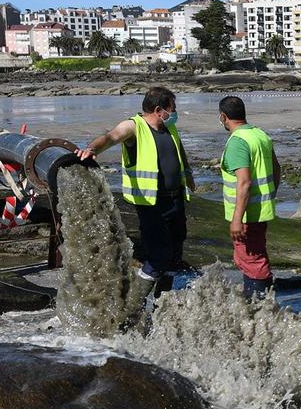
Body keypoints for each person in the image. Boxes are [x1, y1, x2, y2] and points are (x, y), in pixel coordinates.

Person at [79, 86, 195, 288]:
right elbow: (111, 137)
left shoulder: (169, 127)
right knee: (159, 257)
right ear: (159, 110)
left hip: (175, 200)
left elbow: (179, 151)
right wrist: (91, 148)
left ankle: (162, 305)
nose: (175, 112)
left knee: (174, 257)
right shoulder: (134, 126)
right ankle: (135, 305)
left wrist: (188, 174)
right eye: (172, 108)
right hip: (152, 203)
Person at [218, 95, 279, 300]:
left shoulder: (238, 142)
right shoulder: (260, 135)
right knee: (253, 256)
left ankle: (259, 307)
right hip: (260, 209)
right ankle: (256, 302)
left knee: (251, 260)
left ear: (223, 117)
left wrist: (237, 219)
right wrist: (269, 195)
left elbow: (243, 182)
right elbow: (277, 169)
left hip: (246, 215)